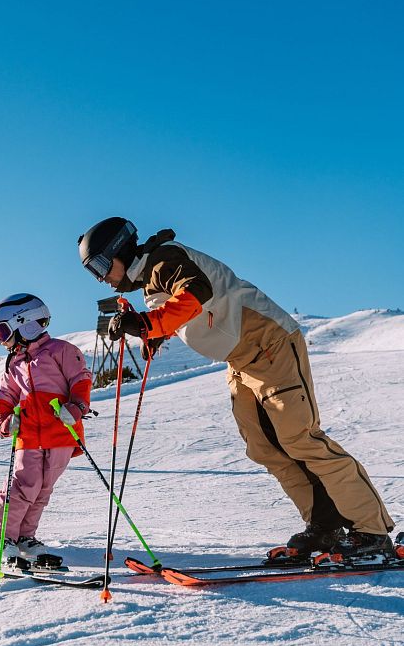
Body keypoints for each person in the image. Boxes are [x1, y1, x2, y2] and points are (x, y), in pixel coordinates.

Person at [78, 217, 395, 558]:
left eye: (99, 265)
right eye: (91, 271)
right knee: (264, 447)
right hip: (241, 360)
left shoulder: (163, 259)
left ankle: (371, 530)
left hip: (269, 343)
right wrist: (154, 332)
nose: (100, 277)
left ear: (119, 250)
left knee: (300, 438)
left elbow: (196, 292)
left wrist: (147, 323)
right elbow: (181, 311)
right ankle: (325, 525)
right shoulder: (151, 276)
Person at [0, 293, 92, 566]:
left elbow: (80, 381)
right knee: (23, 486)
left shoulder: (62, 351)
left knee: (42, 489)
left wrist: (75, 408)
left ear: (25, 323)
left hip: (61, 434)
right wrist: (4, 422)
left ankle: (24, 537)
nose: (1, 339)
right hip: (28, 436)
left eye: (2, 331)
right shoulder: (14, 364)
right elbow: (5, 398)